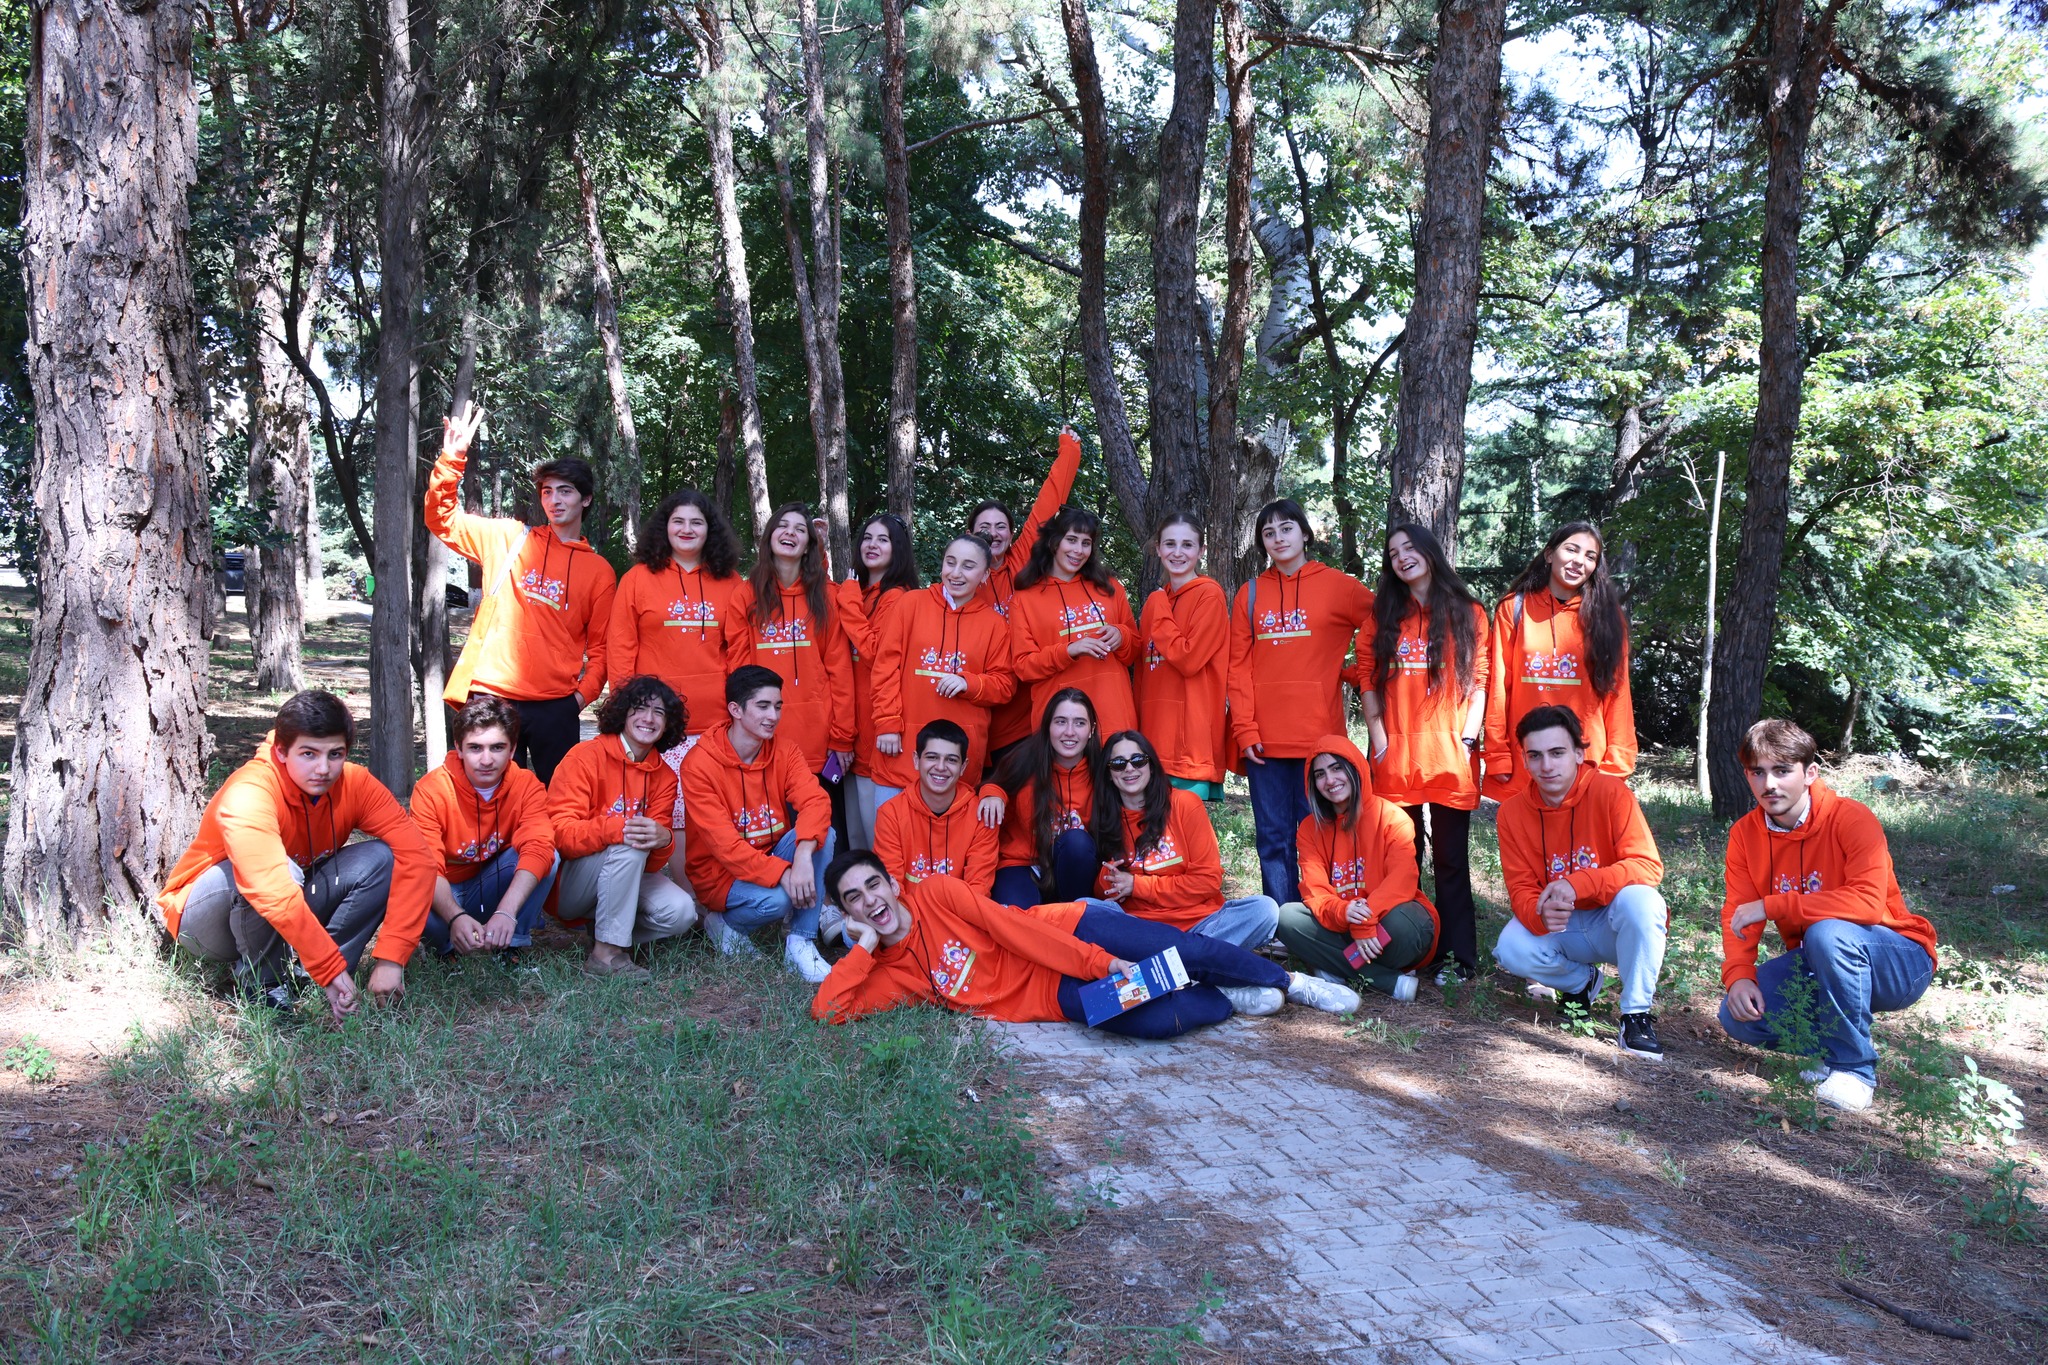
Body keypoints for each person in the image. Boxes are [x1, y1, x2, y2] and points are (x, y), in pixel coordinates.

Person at [812, 856, 1362, 1033]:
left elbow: (1016, 932)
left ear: (892, 883)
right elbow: (827, 1010)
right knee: (1150, 1021)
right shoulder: (890, 973)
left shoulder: (935, 893)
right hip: (1054, 995)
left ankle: (1292, 981)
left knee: (1177, 951)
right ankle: (1225, 998)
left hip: (1070, 932)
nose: (870, 901)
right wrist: (862, 949)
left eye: (873, 885)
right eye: (854, 899)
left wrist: (1101, 962)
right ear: (847, 912)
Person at [157, 690, 434, 1021]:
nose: (323, 768)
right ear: (281, 751)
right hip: (206, 920)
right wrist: (327, 966)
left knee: (381, 859)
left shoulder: (355, 784)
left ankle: (315, 976)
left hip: (288, 904)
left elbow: (418, 857)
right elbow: (270, 888)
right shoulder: (250, 791)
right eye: (308, 754)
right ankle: (264, 985)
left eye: (335, 754)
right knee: (280, 872)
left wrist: (393, 957)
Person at [1716, 720, 1938, 1112]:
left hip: (1898, 959)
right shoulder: (1745, 835)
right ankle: (1833, 1049)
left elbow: (1867, 903)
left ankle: (1855, 1071)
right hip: (1823, 960)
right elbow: (1738, 914)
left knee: (1827, 933)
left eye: (1782, 770)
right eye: (1757, 772)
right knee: (1739, 1017)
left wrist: (1774, 905)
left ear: (1810, 773)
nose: (1769, 784)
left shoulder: (1851, 818)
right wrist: (1739, 976)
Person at [425, 403, 616, 783]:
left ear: (586, 499)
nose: (554, 500)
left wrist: (579, 699)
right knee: (487, 800)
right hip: (490, 696)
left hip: (554, 707)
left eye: (565, 491)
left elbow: (602, 649)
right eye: (547, 491)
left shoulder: (598, 571)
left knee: (558, 802)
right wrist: (453, 458)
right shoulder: (508, 537)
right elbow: (441, 519)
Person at [1351, 523, 1489, 982]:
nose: (1402, 558)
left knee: (1451, 861)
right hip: (1397, 755)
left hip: (1450, 755)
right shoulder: (1383, 616)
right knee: (1401, 859)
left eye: (1410, 548)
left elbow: (1480, 680)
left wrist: (1467, 738)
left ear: (1430, 552)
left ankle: (1458, 959)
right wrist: (1378, 738)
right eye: (1393, 553)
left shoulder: (1469, 612)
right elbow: (1367, 677)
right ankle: (1412, 949)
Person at [1492, 706, 1668, 1058]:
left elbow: (1647, 866)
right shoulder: (1511, 813)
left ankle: (1635, 1016)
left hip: (1611, 922)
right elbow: (1520, 887)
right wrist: (1538, 913)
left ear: (1578, 753)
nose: (1547, 765)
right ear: (1524, 760)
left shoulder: (1611, 792)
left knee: (1644, 902)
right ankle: (1582, 982)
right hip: (1564, 928)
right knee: (1511, 946)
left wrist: (1578, 884)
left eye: (1557, 753)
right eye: (1535, 755)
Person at [1227, 499, 1375, 905]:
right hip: (1265, 741)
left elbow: (1386, 624)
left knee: (1323, 834)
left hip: (1320, 741)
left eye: (1286, 528)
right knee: (1273, 836)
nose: (1278, 538)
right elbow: (1237, 668)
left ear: (1305, 534)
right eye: (1268, 533)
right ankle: (1284, 923)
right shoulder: (1250, 594)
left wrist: (1352, 674)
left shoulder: (1339, 587)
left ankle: (1324, 916)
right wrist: (1244, 729)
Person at [680, 665, 838, 982]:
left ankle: (800, 941)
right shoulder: (699, 764)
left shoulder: (785, 750)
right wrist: (785, 874)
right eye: (763, 706)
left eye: (777, 706)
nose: (773, 716)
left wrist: (802, 856)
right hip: (720, 874)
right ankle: (724, 924)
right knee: (779, 899)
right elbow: (726, 848)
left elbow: (816, 802)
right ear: (735, 710)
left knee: (824, 835)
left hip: (770, 855)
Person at [549, 676, 698, 980]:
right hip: (571, 886)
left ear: (667, 723)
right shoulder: (584, 757)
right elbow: (560, 835)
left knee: (682, 912)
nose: (649, 718)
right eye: (640, 708)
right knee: (630, 842)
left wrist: (664, 840)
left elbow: (651, 865)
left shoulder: (664, 777)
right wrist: (619, 830)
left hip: (625, 877)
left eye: (659, 712)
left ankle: (604, 932)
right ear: (622, 713)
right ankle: (605, 955)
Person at [1275, 736, 1441, 1001]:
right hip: (1342, 924)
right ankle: (1386, 981)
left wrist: (1364, 920)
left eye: (1336, 768)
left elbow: (1402, 879)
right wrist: (1344, 912)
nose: (1330, 780)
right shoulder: (1309, 829)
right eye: (1320, 774)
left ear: (1355, 768)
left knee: (1401, 925)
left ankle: (1335, 965)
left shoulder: (1392, 817)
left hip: (1388, 923)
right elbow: (1315, 890)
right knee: (1287, 918)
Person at [1085, 730, 1283, 951]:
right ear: (1108, 773)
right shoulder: (1106, 817)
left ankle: (1173, 960)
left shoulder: (1184, 804)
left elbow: (1207, 881)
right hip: (1141, 928)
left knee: (1263, 909)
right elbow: (1103, 894)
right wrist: (1109, 881)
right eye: (1118, 763)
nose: (1129, 768)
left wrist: (1137, 886)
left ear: (1151, 765)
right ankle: (1194, 961)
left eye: (1138, 760)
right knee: (1084, 908)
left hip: (1202, 926)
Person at [1484, 521, 1636, 800]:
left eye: (1590, 556)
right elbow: (1498, 689)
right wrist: (1497, 753)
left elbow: (1618, 694)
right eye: (1571, 550)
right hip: (1527, 756)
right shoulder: (1514, 608)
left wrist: (1617, 764)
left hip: (1587, 760)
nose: (1579, 561)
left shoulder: (1607, 617)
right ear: (1549, 554)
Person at [409, 695, 559, 960]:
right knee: (408, 878)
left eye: (497, 747)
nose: (487, 760)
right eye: (475, 748)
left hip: (491, 885)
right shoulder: (431, 790)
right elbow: (426, 866)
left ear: (512, 750)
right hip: (443, 890)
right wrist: (455, 916)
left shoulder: (526, 785)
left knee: (548, 856)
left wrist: (506, 911)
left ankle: (510, 944)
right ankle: (445, 950)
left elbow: (539, 846)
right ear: (459, 748)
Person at [870, 532, 1016, 794]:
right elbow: (885, 668)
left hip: (959, 756)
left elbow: (1005, 685)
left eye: (968, 566)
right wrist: (887, 722)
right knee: (893, 820)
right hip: (902, 746)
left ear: (985, 575)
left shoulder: (995, 624)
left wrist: (970, 683)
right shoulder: (910, 604)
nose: (956, 573)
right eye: (950, 562)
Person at [729, 501, 856, 791]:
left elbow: (840, 671)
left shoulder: (827, 596)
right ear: (769, 537)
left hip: (818, 739)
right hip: (761, 737)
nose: (790, 533)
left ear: (809, 546)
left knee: (816, 818)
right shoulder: (745, 595)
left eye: (800, 529)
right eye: (783, 526)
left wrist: (842, 736)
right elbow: (738, 670)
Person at [972, 428, 1084, 756]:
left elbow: (1049, 501)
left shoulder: (1021, 559)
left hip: (1025, 713)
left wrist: (1069, 450)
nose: (993, 534)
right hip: (977, 704)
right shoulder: (961, 576)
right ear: (970, 533)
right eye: (984, 528)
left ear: (1011, 534)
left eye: (1001, 527)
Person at [606, 489, 747, 739]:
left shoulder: (732, 582)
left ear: (710, 529)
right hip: (652, 719)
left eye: (697, 522)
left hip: (717, 721)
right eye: (678, 521)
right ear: (665, 527)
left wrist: (741, 704)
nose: (687, 529)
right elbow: (621, 649)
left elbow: (740, 651)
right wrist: (625, 706)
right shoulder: (636, 579)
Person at [1007, 505, 1141, 738]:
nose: (1078, 550)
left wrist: (1122, 635)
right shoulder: (1024, 599)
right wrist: (1069, 651)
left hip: (1114, 718)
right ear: (1054, 542)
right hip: (1060, 727)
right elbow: (1024, 667)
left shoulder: (1109, 587)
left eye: (1086, 543)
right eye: (1071, 540)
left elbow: (1134, 651)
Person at [835, 512, 919, 851]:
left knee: (877, 837)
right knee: (854, 834)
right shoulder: (861, 592)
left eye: (883, 539)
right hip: (851, 725)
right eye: (867, 538)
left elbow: (874, 652)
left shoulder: (899, 597)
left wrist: (848, 601)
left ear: (897, 548)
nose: (872, 545)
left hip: (880, 727)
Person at [1135, 512, 1229, 799]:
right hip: (1151, 738)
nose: (1177, 553)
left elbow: (1189, 660)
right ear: (1158, 548)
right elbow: (1142, 672)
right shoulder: (1158, 601)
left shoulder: (1209, 595)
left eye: (1187, 545)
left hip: (1190, 744)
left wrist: (1158, 604)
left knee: (1185, 823)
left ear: (1201, 551)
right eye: (1170, 544)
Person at [992, 689, 1101, 908]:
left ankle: (1072, 915)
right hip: (1022, 862)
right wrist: (992, 794)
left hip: (1071, 867)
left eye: (1079, 723)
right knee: (1015, 918)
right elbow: (995, 784)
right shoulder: (1026, 759)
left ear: (1091, 730)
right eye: (1060, 722)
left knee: (1077, 841)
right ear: (1048, 726)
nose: (1069, 732)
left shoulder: (1101, 770)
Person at [872, 720, 1000, 895]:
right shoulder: (891, 813)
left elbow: (979, 888)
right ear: (916, 760)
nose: (940, 767)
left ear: (963, 767)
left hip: (961, 910)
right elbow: (892, 887)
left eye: (951, 760)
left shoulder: (981, 815)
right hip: (908, 910)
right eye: (932, 757)